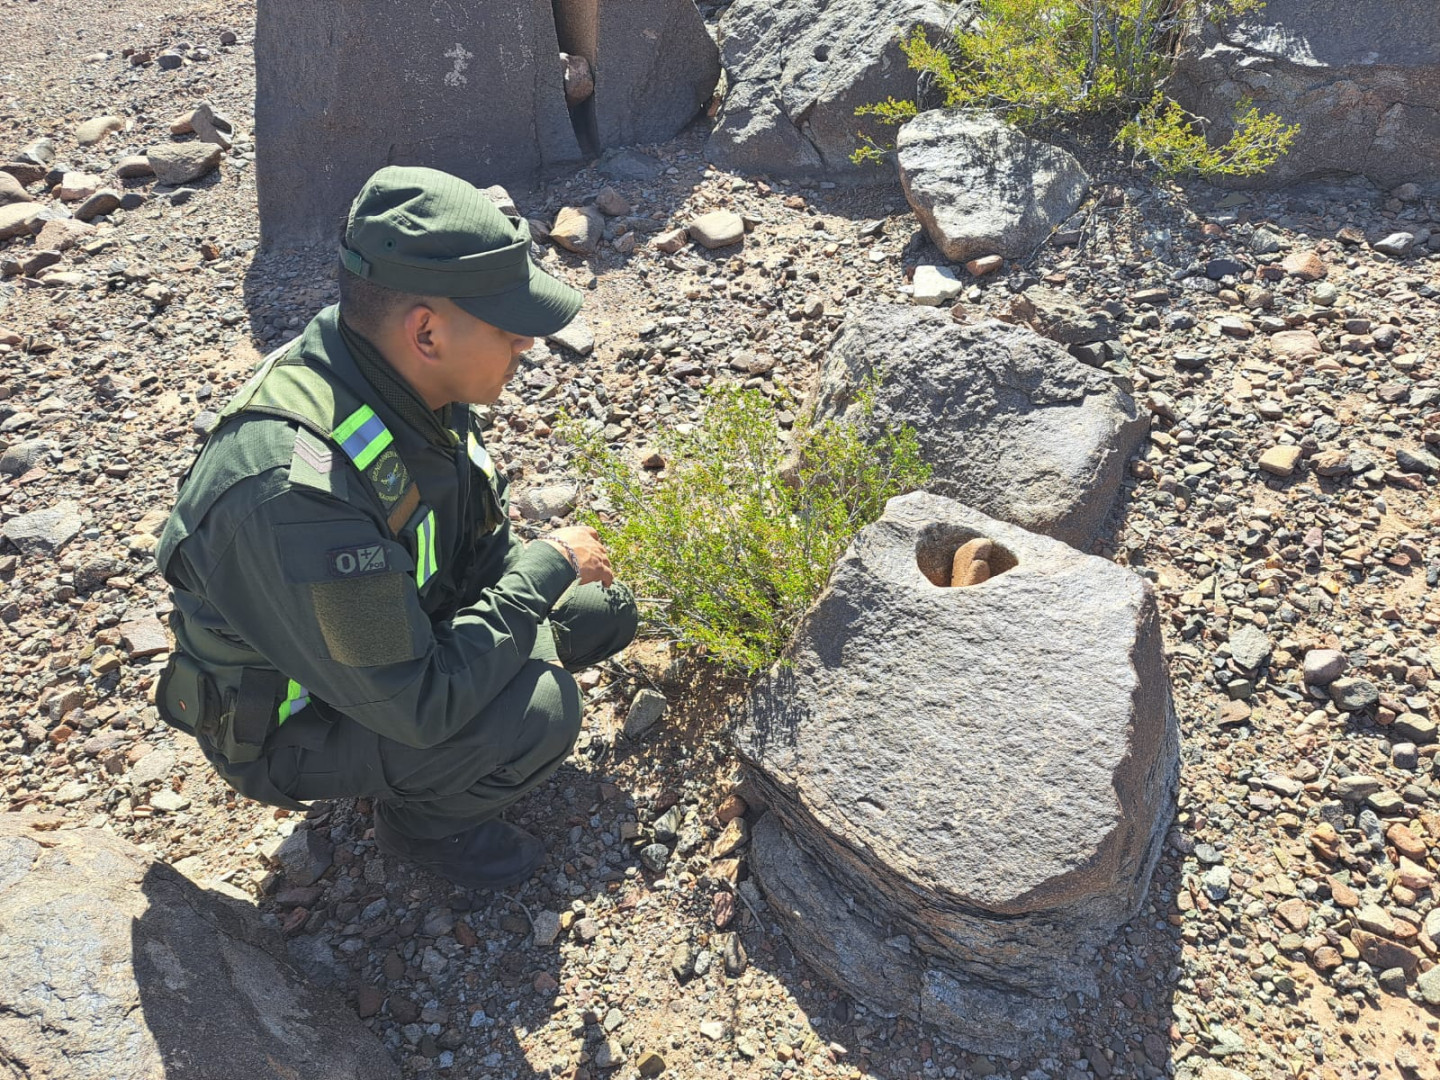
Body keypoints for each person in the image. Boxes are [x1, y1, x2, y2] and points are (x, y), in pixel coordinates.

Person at [154, 166, 637, 889]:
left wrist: (533, 589)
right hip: (297, 722)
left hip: (389, 638)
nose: (527, 344)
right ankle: (422, 828)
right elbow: (418, 702)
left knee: (602, 610)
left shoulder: (406, 378)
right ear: (427, 331)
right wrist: (543, 573)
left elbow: (472, 537)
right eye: (508, 327)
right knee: (540, 711)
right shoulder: (296, 492)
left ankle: (465, 739)